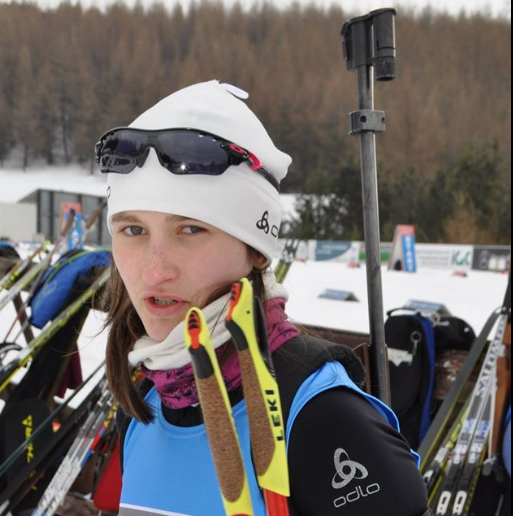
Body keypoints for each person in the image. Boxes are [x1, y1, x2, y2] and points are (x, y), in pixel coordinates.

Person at [100, 80, 432, 516]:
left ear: (256, 250)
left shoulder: (323, 416)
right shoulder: (147, 403)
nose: (155, 270)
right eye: (133, 230)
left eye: (191, 229)